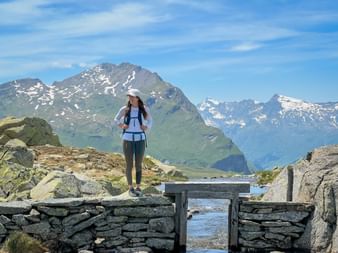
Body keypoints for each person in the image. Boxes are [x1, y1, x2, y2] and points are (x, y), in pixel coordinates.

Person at [114, 88, 152, 197]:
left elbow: (150, 120)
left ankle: (138, 187)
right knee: (129, 164)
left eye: (132, 96)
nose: (130, 98)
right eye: (129, 96)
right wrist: (121, 125)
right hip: (127, 139)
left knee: (138, 164)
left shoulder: (144, 109)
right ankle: (130, 188)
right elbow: (116, 119)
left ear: (137, 98)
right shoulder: (125, 109)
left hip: (140, 139)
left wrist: (147, 127)